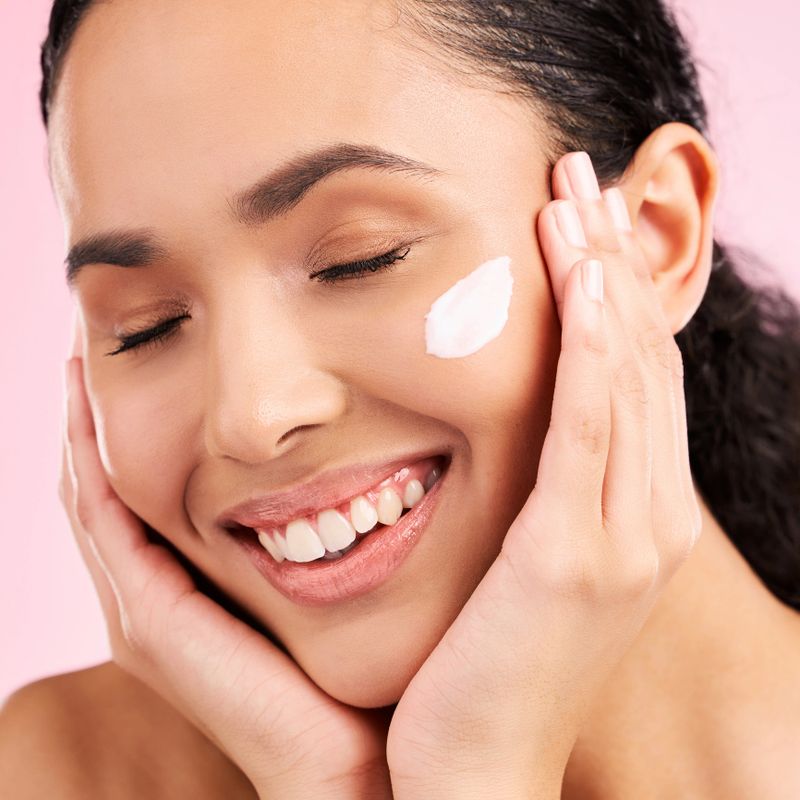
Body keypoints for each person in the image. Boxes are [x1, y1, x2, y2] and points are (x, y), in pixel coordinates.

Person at [2, 0, 799, 797]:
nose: (249, 417)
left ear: (654, 237)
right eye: (146, 327)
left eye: (361, 258)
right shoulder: (60, 771)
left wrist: (475, 771)